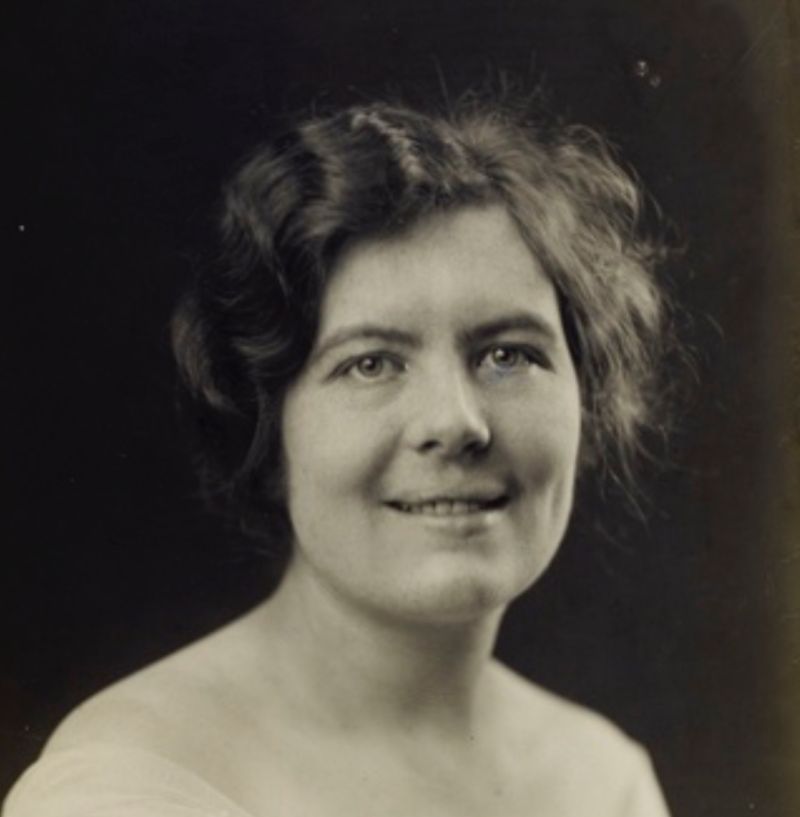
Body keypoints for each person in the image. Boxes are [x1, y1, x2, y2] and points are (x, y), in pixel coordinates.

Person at [4, 90, 673, 816]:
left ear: (586, 395)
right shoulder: (128, 784)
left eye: (508, 354)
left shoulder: (601, 779)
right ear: (267, 429)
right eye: (371, 363)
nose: (456, 422)